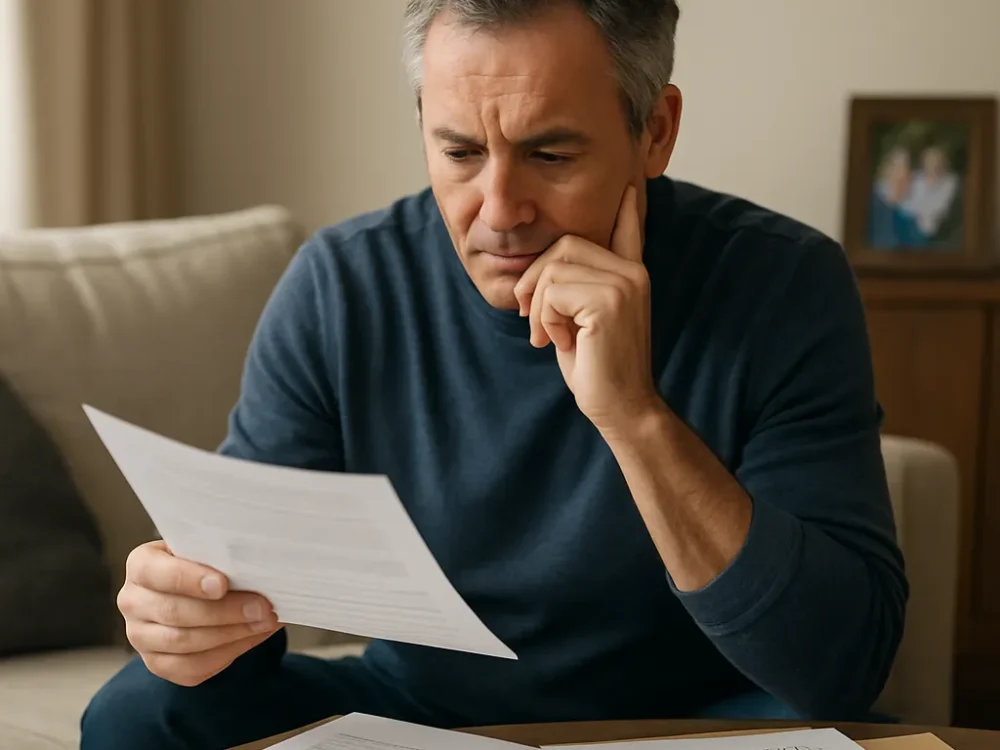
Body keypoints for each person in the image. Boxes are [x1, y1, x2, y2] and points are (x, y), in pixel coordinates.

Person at [80, 1, 908, 748]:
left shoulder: (782, 282)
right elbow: (244, 608)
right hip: (423, 710)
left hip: (696, 718)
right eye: (461, 151)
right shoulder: (342, 286)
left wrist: (632, 415)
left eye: (550, 153)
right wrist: (187, 621)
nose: (500, 210)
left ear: (655, 131)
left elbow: (837, 667)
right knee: (138, 712)